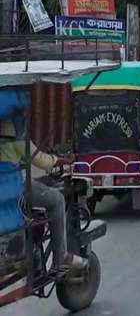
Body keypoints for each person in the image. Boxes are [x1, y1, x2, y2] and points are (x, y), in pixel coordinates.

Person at [0, 104, 87, 272]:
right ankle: (60, 257)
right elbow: (41, 160)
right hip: (12, 187)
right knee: (57, 199)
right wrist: (64, 160)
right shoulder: (13, 131)